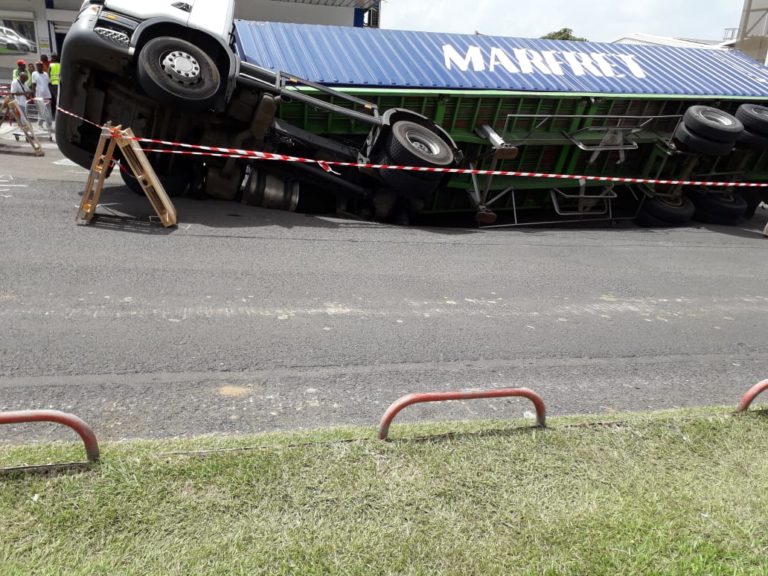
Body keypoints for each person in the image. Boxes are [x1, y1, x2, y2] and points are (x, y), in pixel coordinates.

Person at [31, 62, 53, 132]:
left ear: (42, 66)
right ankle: (40, 124)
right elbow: (33, 85)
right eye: (37, 66)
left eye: (40, 66)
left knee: (48, 111)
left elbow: (49, 84)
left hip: (47, 95)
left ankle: (49, 124)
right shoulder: (34, 74)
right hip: (39, 96)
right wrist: (34, 95)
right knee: (41, 111)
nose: (39, 67)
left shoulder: (46, 74)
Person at [49, 54, 60, 120]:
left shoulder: (51, 65)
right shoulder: (60, 65)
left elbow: (48, 75)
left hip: (53, 84)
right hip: (59, 84)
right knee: (58, 99)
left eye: (52, 58)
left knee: (53, 100)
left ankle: (55, 115)